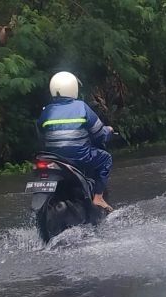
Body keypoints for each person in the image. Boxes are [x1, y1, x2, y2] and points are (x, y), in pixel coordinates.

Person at [38, 71, 114, 211]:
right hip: (80, 157)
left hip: (53, 159)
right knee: (106, 159)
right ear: (73, 88)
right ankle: (98, 198)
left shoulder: (46, 111)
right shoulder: (82, 107)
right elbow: (99, 134)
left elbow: (41, 134)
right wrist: (108, 131)